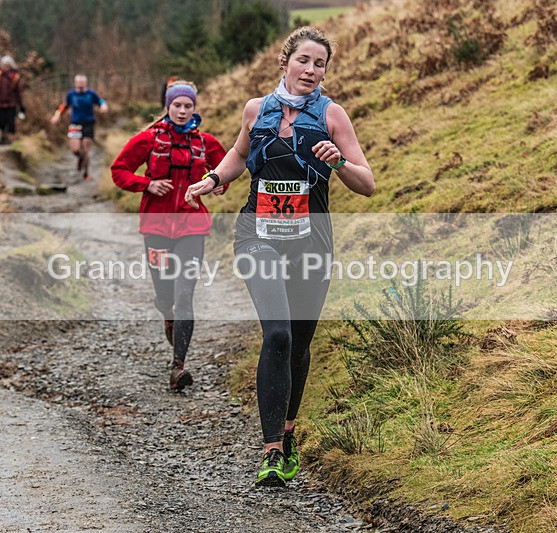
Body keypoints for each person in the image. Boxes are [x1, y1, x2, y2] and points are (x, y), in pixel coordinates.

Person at [185, 27, 374, 487]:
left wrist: (337, 162)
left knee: (301, 344)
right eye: (304, 60)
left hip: (312, 242)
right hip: (258, 235)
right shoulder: (257, 110)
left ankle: (288, 434)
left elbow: (366, 183)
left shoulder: (333, 115)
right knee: (278, 337)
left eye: (320, 64)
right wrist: (212, 178)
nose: (311, 70)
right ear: (284, 61)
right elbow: (238, 154)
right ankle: (271, 450)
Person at [111, 81, 228, 391]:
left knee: (185, 294)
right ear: (168, 106)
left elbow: (227, 171)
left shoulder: (205, 142)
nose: (182, 110)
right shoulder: (148, 139)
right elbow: (118, 170)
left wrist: (217, 185)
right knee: (166, 296)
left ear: (194, 108)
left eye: (188, 106)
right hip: (156, 228)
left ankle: (179, 367)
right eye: (177, 105)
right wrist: (146, 184)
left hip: (193, 226)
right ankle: (166, 314)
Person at [50, 74, 109, 180]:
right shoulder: (71, 94)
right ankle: (80, 158)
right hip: (75, 124)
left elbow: (100, 101)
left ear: (85, 83)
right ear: (75, 83)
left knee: (86, 149)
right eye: (78, 83)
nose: (80, 85)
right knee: (75, 149)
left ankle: (86, 173)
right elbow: (63, 106)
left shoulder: (91, 94)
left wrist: (103, 106)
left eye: (82, 83)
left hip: (89, 123)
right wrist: (57, 115)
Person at [0, 55, 24, 145]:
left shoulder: (15, 77)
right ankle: (2, 138)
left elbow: (18, 92)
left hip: (11, 103)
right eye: (4, 65)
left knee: (10, 122)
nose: (6, 67)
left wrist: (20, 105)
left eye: (8, 65)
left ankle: (9, 139)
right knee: (1, 122)